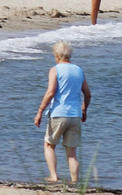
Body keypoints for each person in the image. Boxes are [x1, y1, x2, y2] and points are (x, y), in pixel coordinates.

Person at [34, 40, 90, 183]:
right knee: (72, 153)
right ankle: (75, 181)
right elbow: (88, 94)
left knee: (49, 145)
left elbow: (50, 92)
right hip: (75, 115)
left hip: (58, 113)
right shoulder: (79, 70)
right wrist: (84, 109)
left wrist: (40, 111)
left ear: (57, 55)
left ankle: (54, 176)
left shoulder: (55, 69)